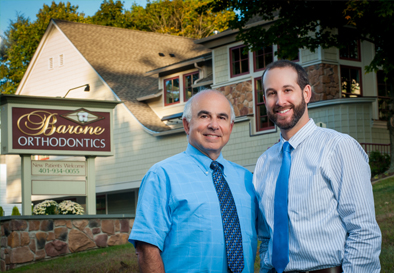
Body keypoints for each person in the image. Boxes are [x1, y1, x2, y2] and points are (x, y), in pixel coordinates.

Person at [254, 60, 381, 273]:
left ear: (306, 93)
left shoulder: (339, 148)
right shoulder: (264, 163)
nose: (280, 100)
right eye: (271, 93)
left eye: (287, 90)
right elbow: (267, 237)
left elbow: (363, 231)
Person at [129, 90, 258, 272]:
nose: (214, 125)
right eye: (204, 116)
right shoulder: (162, 176)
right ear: (187, 124)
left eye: (222, 118)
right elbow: (147, 248)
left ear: (230, 127)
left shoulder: (247, 180)